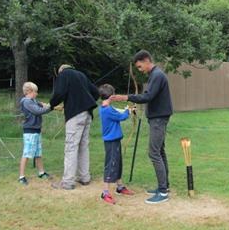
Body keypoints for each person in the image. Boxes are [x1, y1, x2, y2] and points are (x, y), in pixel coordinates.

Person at [110, 50, 173, 204]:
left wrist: (127, 97)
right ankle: (164, 186)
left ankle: (163, 192)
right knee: (160, 151)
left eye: (140, 66)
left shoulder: (157, 75)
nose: (140, 70)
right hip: (157, 117)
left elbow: (147, 97)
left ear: (146, 60)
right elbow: (149, 95)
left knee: (154, 153)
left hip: (159, 118)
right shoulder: (154, 75)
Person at [49, 64, 100, 190]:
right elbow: (96, 92)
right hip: (87, 113)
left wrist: (51, 104)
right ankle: (84, 177)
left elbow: (59, 92)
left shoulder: (63, 74)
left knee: (71, 147)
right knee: (83, 146)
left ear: (61, 70)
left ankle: (67, 182)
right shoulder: (81, 75)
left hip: (75, 115)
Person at [98, 84, 135, 205]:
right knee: (111, 164)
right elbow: (121, 116)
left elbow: (117, 112)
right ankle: (105, 193)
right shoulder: (107, 110)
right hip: (111, 142)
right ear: (112, 96)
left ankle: (119, 187)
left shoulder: (106, 107)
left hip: (115, 140)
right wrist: (128, 111)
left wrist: (126, 109)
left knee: (117, 163)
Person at [18, 82, 52, 185]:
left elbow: (40, 104)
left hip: (36, 130)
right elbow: (38, 111)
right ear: (29, 91)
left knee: (38, 153)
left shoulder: (32, 101)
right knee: (27, 153)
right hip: (30, 131)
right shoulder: (26, 102)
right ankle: (21, 177)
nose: (36, 94)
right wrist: (51, 107)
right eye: (35, 92)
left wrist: (46, 104)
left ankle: (41, 172)